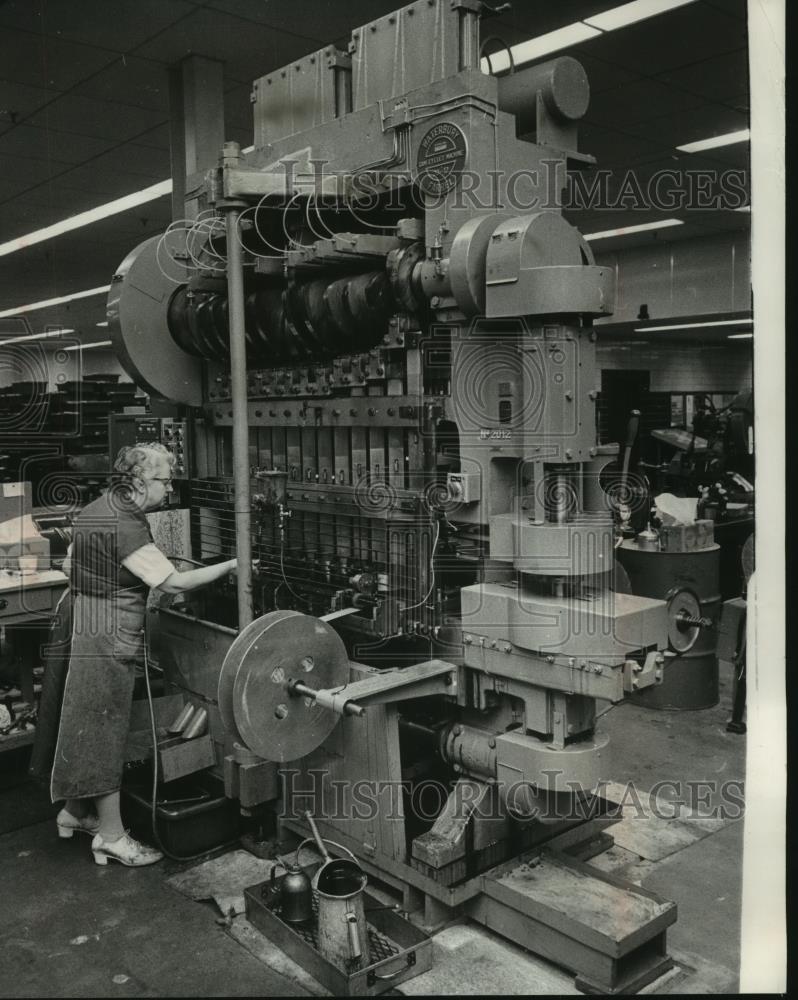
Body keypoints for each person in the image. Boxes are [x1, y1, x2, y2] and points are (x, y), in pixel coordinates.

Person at [50, 442, 241, 867]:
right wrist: (232, 565)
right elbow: (172, 584)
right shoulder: (126, 524)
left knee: (87, 720)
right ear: (138, 480)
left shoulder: (98, 508)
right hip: (110, 636)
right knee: (105, 730)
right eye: (164, 479)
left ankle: (76, 812)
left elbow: (69, 566)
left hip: (89, 625)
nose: (169, 488)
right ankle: (112, 837)